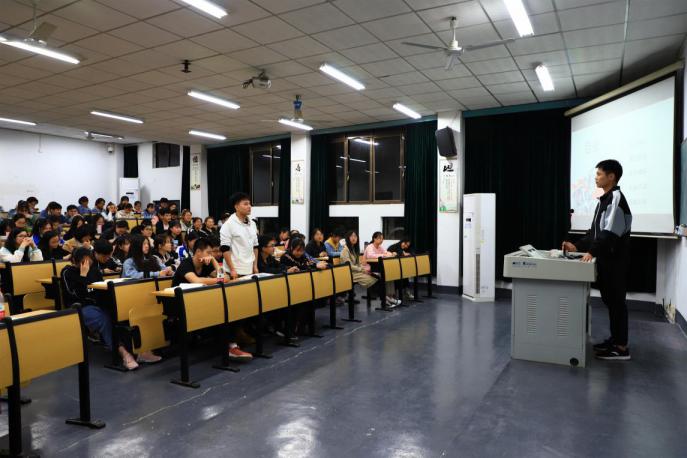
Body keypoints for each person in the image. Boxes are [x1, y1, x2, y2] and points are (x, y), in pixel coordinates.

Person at [562, 159, 632, 361]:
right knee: (611, 301)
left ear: (611, 176)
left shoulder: (616, 198)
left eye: (600, 174)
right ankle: (615, 340)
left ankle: (621, 348)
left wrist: (592, 252)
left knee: (616, 303)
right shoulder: (604, 200)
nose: (596, 177)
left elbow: (609, 233)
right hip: (605, 261)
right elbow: (594, 232)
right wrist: (577, 246)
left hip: (615, 262)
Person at [61, 247, 160, 370]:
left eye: (89, 261)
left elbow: (100, 288)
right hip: (80, 307)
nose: (87, 264)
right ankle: (124, 354)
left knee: (124, 314)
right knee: (105, 319)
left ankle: (140, 351)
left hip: (98, 303)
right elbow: (76, 294)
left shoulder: (94, 270)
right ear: (75, 261)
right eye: (83, 261)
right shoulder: (67, 272)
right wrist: (83, 276)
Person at [171, 238, 253, 361]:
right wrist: (219, 279)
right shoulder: (186, 264)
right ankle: (229, 347)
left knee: (231, 307)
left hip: (198, 301)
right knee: (222, 311)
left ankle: (232, 345)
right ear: (198, 252)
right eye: (209, 253)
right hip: (180, 304)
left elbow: (225, 277)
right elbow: (196, 281)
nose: (211, 255)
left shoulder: (207, 264)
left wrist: (214, 261)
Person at [220, 192, 259, 279]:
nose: (249, 206)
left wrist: (255, 266)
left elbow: (255, 246)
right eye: (245, 204)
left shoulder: (252, 224)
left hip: (249, 269)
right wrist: (232, 269)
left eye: (249, 204)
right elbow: (225, 249)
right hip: (235, 271)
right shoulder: (228, 224)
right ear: (236, 207)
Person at [364, 232, 401, 307]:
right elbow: (371, 255)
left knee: (390, 275)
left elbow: (386, 252)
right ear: (374, 239)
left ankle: (390, 297)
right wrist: (384, 255)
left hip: (378, 268)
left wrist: (391, 254)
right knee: (383, 276)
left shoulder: (380, 247)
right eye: (379, 238)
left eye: (382, 238)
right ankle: (386, 299)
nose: (381, 240)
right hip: (369, 269)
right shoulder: (370, 247)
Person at [387, 236, 414, 301]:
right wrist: (402, 253)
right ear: (403, 242)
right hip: (392, 267)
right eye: (406, 245)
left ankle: (406, 291)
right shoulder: (394, 246)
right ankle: (394, 294)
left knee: (405, 275)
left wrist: (407, 253)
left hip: (401, 266)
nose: (407, 247)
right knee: (397, 275)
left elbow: (412, 253)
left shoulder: (406, 248)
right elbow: (390, 255)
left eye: (408, 245)